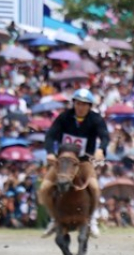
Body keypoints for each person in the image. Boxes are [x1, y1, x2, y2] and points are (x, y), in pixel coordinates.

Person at [38, 88, 109, 238]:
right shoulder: (64, 117)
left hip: (83, 162)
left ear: (90, 106)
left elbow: (105, 137)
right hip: (63, 162)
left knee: (95, 188)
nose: (80, 107)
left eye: (84, 104)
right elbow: (50, 136)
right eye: (78, 103)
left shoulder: (96, 119)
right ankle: (54, 218)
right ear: (74, 103)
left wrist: (101, 149)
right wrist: (50, 152)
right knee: (44, 188)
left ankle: (92, 219)